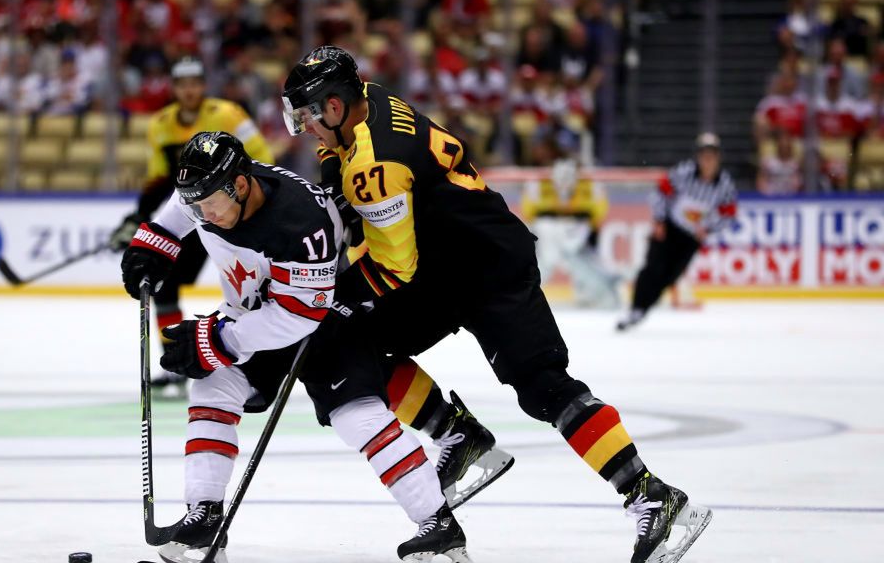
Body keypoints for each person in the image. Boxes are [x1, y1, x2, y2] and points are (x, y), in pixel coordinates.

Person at [282, 46, 712, 563]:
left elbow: (393, 268)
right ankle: (459, 436)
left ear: (333, 106)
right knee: (354, 344)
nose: (305, 127)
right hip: (442, 266)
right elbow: (341, 162)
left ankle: (653, 497)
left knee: (544, 389)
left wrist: (325, 295)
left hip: (487, 269)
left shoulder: (377, 162)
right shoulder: (364, 101)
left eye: (307, 115)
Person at [120, 132, 470, 563]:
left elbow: (297, 317)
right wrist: (152, 245)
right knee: (212, 386)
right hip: (259, 313)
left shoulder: (301, 226)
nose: (203, 216)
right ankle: (204, 518)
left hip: (322, 314)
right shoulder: (210, 190)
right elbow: (180, 207)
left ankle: (438, 524)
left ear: (242, 185)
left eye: (209, 204)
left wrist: (220, 341)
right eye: (197, 206)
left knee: (356, 416)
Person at [109, 57, 274, 395]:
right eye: (183, 84)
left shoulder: (229, 115)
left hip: (229, 213)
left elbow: (262, 161)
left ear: (203, 85)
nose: (189, 90)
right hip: (191, 215)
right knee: (164, 283)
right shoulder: (160, 125)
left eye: (195, 83)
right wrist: (138, 220)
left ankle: (260, 370)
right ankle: (176, 362)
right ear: (174, 88)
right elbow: (160, 180)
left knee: (247, 288)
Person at [617, 133, 737, 331]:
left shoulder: (724, 185)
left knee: (670, 277)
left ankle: (643, 309)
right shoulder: (684, 172)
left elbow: (729, 214)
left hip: (691, 238)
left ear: (718, 158)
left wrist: (708, 229)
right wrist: (659, 220)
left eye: (711, 156)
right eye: (704, 155)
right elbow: (660, 192)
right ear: (698, 156)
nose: (707, 160)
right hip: (669, 229)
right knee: (652, 269)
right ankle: (636, 308)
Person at [523, 157, 619, 308]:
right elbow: (530, 216)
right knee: (545, 261)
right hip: (550, 235)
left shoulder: (588, 190)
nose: (564, 182)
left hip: (576, 233)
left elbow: (596, 218)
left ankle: (592, 291)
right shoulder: (541, 189)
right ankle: (527, 293)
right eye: (560, 177)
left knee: (581, 261)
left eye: (568, 178)